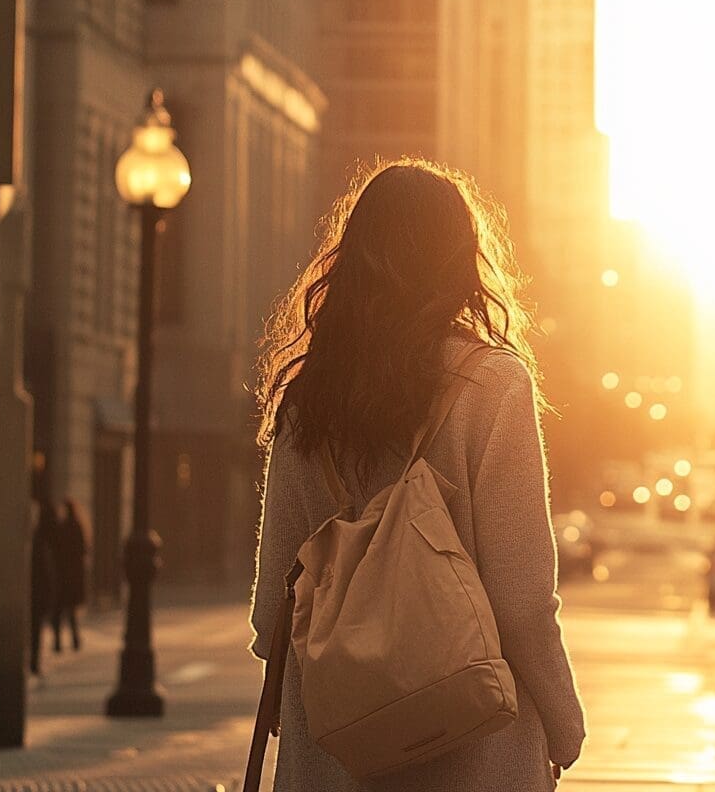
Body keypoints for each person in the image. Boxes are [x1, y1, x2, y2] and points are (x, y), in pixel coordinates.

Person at [249, 158, 586, 792]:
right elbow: (520, 598)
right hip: (473, 745)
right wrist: (562, 718)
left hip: (338, 754)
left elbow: (275, 607)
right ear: (459, 261)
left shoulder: (306, 398)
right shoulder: (493, 386)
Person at [51, 498, 88, 652]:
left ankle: (59, 642)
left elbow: (56, 551)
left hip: (63, 575)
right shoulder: (78, 527)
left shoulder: (62, 527)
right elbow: (84, 550)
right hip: (73, 575)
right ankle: (75, 641)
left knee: (59, 611)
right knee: (70, 611)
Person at [30, 499, 60, 674]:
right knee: (36, 627)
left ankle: (34, 659)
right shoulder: (49, 536)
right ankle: (34, 659)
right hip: (43, 587)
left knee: (35, 627)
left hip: (39, 588)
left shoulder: (40, 536)